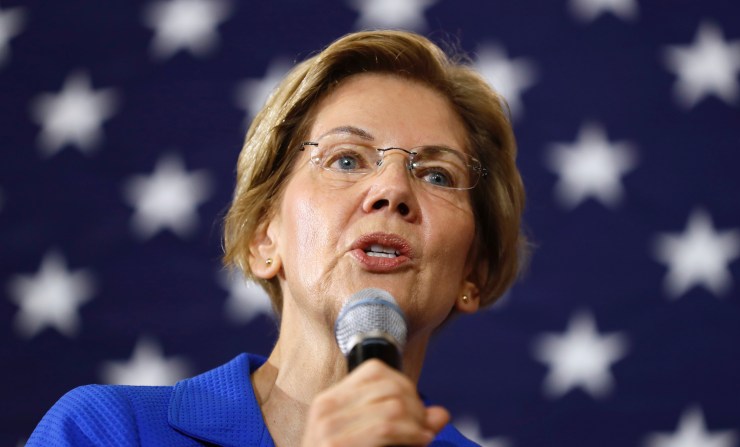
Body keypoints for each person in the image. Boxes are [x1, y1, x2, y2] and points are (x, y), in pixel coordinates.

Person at [27, 29, 526, 446]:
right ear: (264, 239)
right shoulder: (107, 430)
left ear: (473, 271)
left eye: (437, 175)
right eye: (346, 159)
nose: (393, 189)